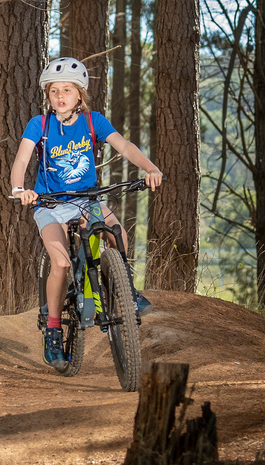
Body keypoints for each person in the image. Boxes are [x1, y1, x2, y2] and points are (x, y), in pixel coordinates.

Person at [9, 56, 163, 372]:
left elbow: (125, 146)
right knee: (62, 262)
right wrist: (19, 188)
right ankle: (53, 328)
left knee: (115, 229)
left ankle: (124, 289)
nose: (61, 96)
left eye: (68, 90)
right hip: (50, 204)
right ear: (47, 95)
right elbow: (22, 160)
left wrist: (149, 168)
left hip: (86, 200)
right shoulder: (40, 124)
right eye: (54, 91)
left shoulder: (93, 121)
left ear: (81, 93)